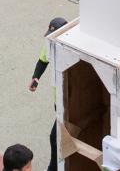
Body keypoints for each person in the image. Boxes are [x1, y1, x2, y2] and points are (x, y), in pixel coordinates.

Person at [28, 17, 68, 171]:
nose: (51, 39)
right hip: (57, 100)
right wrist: (35, 77)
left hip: (69, 102)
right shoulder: (50, 44)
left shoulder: (71, 49)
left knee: (55, 136)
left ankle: (54, 168)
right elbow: (42, 61)